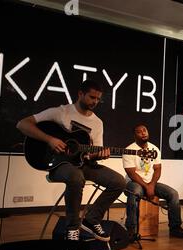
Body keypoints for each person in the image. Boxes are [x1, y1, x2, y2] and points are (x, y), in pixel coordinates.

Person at [16, 80, 126, 241]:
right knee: (76, 176)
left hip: (83, 164)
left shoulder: (97, 123)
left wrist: (98, 155)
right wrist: (49, 140)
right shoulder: (61, 112)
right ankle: (72, 228)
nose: (95, 102)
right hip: (59, 165)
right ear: (80, 94)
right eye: (92, 97)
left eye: (98, 99)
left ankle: (92, 219)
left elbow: (92, 152)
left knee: (119, 181)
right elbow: (22, 124)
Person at [122, 124, 183, 239]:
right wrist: (147, 186)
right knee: (135, 192)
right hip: (133, 183)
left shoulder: (154, 149)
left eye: (145, 130)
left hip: (150, 183)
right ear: (134, 135)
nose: (143, 133)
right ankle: (131, 230)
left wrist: (151, 185)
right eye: (139, 132)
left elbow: (157, 169)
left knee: (173, 194)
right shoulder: (129, 150)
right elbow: (132, 173)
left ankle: (175, 228)